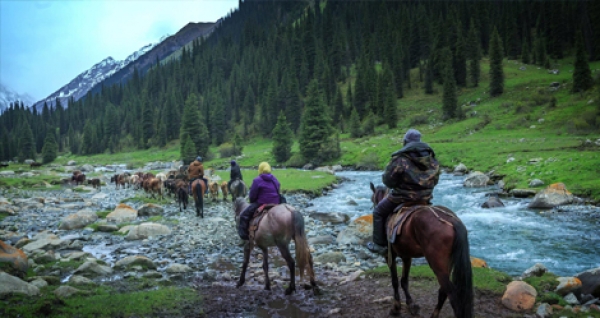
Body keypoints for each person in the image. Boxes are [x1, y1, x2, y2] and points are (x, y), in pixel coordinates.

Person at [366, 129, 440, 256]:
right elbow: (435, 179)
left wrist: (399, 185)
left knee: (378, 212)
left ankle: (379, 245)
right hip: (425, 198)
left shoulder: (400, 159)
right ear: (419, 141)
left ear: (405, 141)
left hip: (402, 197)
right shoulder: (431, 159)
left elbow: (388, 181)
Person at [237, 162, 281, 240]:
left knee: (243, 215)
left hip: (262, 202)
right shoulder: (274, 179)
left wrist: (252, 201)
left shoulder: (257, 180)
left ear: (260, 170)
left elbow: (253, 194)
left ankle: (244, 236)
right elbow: (278, 189)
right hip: (275, 202)